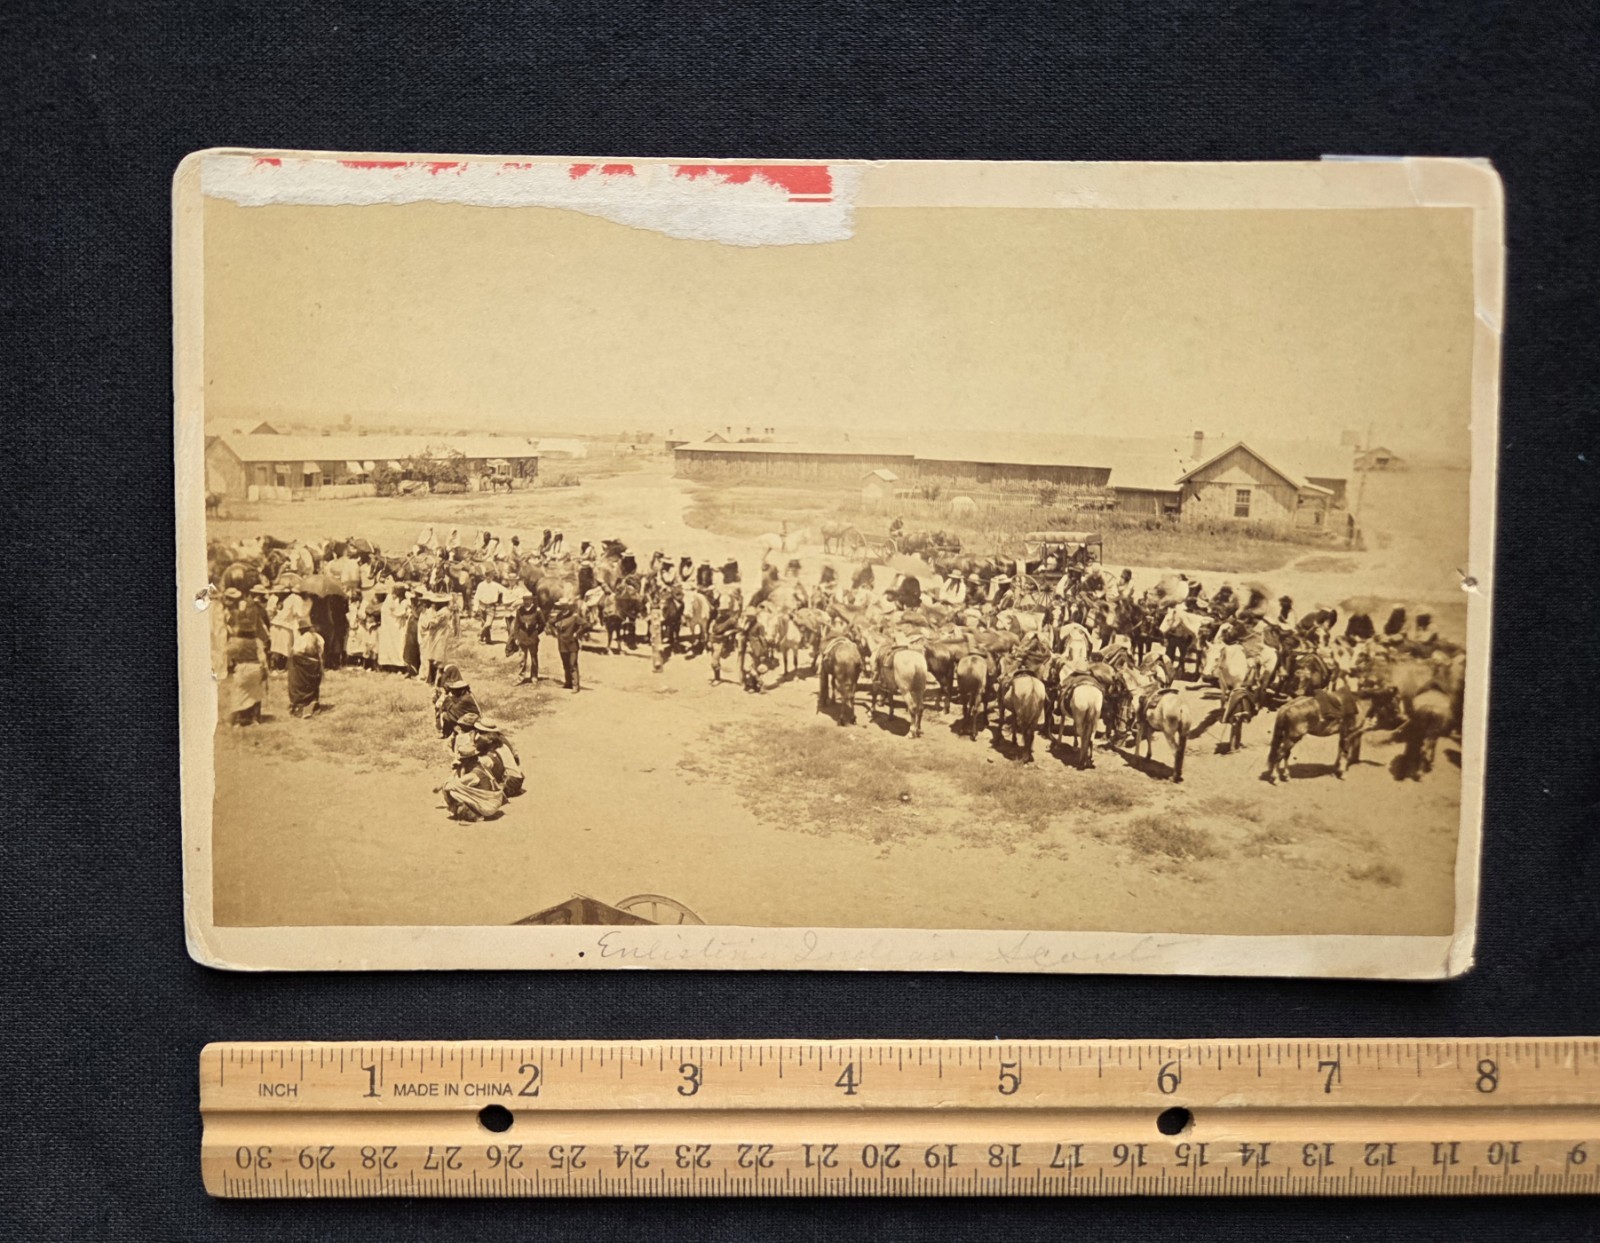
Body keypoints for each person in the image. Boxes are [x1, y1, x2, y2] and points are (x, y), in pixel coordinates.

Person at [439, 731, 505, 822]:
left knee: (451, 791)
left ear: (467, 761)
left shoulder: (472, 774)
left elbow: (452, 785)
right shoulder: (481, 766)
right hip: (495, 801)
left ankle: (474, 815)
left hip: (488, 807)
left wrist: (458, 771)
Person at [472, 719, 524, 797]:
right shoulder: (501, 742)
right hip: (517, 779)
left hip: (510, 783)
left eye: (480, 732)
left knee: (481, 765)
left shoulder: (492, 750)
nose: (478, 734)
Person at [285, 620, 324, 717]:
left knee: (295, 676)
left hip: (303, 665)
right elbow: (321, 651)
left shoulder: (301, 639)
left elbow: (296, 652)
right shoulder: (318, 637)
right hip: (316, 664)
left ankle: (300, 704)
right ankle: (313, 702)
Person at [549, 599, 586, 692]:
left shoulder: (574, 617)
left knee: (572, 664)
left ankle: (575, 686)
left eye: (565, 607)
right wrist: (555, 633)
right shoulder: (559, 616)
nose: (563, 609)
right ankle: (568, 683)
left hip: (572, 643)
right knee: (565, 664)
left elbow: (586, 625)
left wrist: (577, 633)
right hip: (562, 644)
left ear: (568, 607)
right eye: (561, 607)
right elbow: (550, 623)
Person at [434, 665, 482, 736]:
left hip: (473, 719)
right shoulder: (465, 695)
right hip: (469, 716)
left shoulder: (466, 698)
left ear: (461, 690)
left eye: (456, 690)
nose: (454, 692)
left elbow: (454, 709)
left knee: (446, 715)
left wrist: (448, 699)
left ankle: (447, 732)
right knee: (446, 713)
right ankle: (447, 732)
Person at [417, 592, 453, 685]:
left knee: (437, 659)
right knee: (432, 658)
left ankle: (438, 682)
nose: (434, 604)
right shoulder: (441, 611)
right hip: (436, 636)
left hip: (439, 637)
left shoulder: (443, 612)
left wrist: (428, 619)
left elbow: (432, 623)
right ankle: (432, 680)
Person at [509, 594, 544, 683]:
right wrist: (516, 637)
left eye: (528, 600)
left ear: (532, 601)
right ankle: (520, 677)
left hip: (533, 638)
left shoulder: (537, 610)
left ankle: (534, 676)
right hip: (522, 638)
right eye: (525, 600)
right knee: (522, 659)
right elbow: (516, 625)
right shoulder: (520, 610)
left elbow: (542, 624)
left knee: (533, 658)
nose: (526, 602)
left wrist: (536, 632)